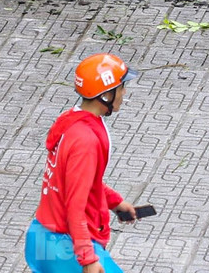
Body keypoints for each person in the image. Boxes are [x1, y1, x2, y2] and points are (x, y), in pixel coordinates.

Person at [25, 53, 139, 273]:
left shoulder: (72, 121)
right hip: (63, 246)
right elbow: (75, 205)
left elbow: (79, 181)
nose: (124, 93)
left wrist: (114, 202)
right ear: (106, 94)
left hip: (43, 237)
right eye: (121, 87)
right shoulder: (85, 141)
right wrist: (87, 258)